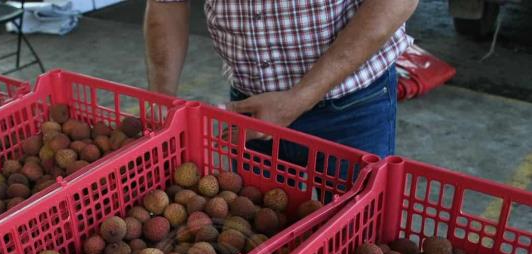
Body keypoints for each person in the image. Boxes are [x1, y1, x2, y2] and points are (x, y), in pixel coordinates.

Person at [144, 0, 419, 159]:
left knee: (354, 235)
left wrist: (301, 97)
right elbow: (166, 6)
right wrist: (162, 101)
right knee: (259, 239)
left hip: (350, 106)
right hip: (252, 109)